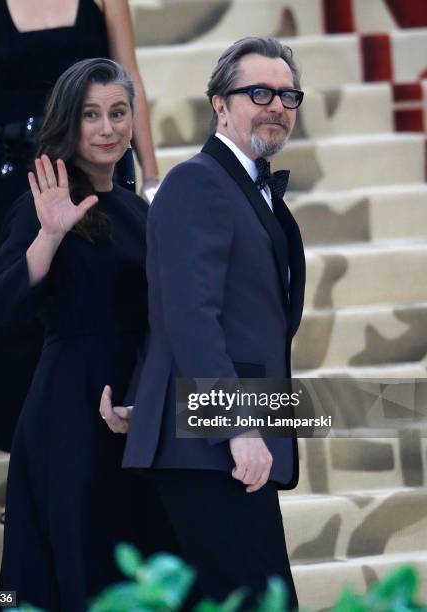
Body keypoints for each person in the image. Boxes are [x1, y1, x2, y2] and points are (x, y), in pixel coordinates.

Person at [101, 36, 306, 609]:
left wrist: (149, 392)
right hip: (213, 441)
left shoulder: (245, 187)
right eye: (258, 92)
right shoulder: (198, 182)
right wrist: (239, 428)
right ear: (220, 104)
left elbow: (172, 309)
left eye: (288, 95)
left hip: (218, 433)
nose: (276, 105)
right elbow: (190, 314)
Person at [0, 58, 176, 612]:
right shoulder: (43, 205)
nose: (107, 128)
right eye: (91, 114)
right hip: (68, 413)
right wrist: (49, 235)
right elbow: (5, 307)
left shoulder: (143, 214)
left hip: (137, 411)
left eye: (119, 113)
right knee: (74, 566)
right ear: (69, 123)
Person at [0, 0, 160, 459]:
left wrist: (151, 173)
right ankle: (25, 463)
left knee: (108, 298)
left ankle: (116, 440)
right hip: (12, 171)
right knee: (16, 309)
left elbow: (130, 77)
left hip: (101, 161)